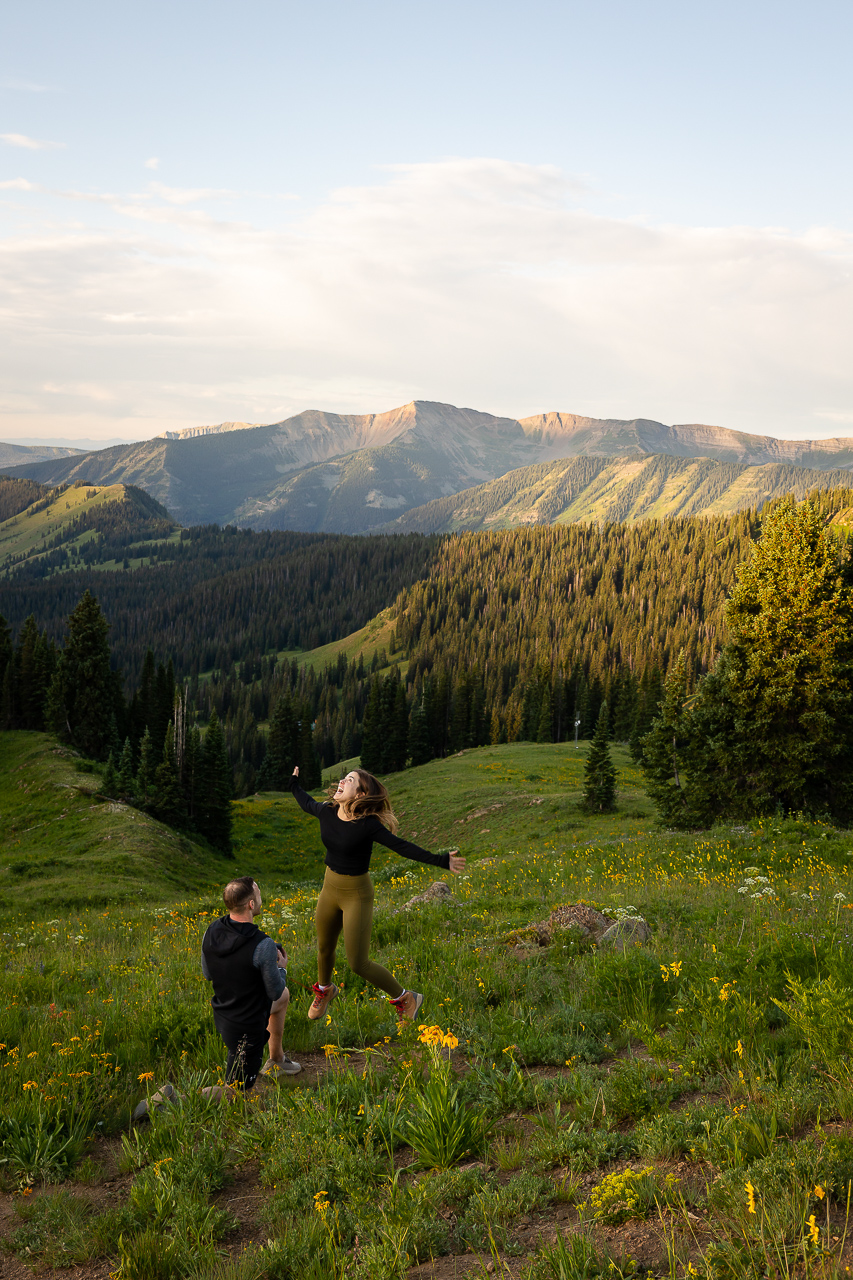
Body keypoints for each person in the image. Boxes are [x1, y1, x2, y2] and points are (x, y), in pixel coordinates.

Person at [288, 765, 466, 1021]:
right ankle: (325, 990)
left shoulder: (367, 826)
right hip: (330, 888)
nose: (341, 781)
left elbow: (402, 847)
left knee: (358, 963)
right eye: (343, 778)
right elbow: (305, 802)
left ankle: (406, 997)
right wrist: (293, 783)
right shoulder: (327, 811)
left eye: (349, 780)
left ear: (360, 795)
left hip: (356, 894)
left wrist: (441, 861)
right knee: (324, 948)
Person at [201, 875, 301, 1089]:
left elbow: (208, 973)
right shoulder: (262, 944)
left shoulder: (212, 930)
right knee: (237, 1091)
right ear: (251, 904)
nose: (260, 897)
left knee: (284, 998)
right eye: (258, 893)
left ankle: (277, 1059)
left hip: (225, 1011)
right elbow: (274, 990)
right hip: (248, 1026)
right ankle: (169, 1101)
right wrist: (281, 968)